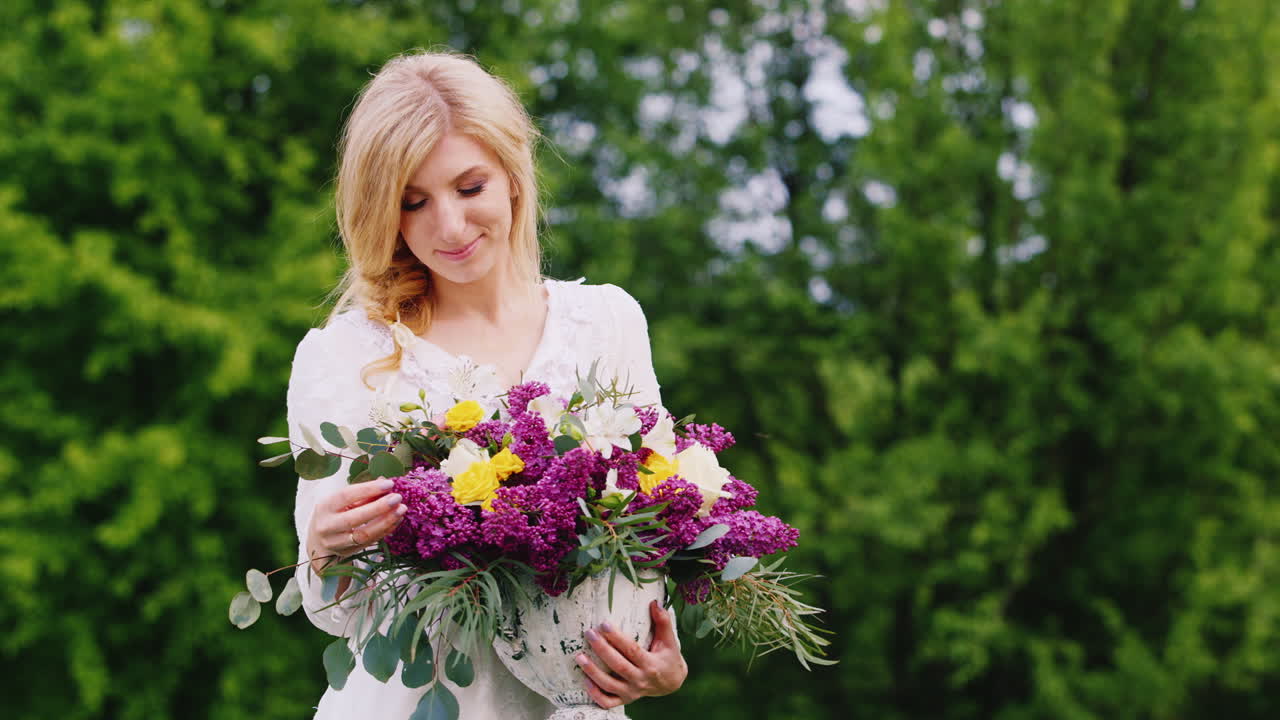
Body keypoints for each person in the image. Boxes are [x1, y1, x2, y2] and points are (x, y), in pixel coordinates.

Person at [284, 50, 688, 719]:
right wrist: (322, 552)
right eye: (413, 203)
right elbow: (335, 613)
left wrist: (660, 663)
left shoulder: (608, 324)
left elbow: (653, 546)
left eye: (469, 188)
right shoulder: (349, 353)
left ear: (512, 177)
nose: (449, 226)